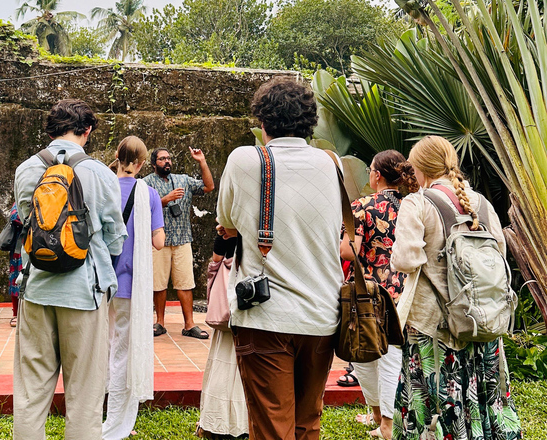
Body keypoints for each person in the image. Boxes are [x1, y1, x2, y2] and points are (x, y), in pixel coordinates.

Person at [216, 76, 343, 440]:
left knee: (272, 429)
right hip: (322, 316)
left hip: (265, 316)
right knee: (307, 424)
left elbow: (227, 222)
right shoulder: (330, 163)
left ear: (262, 120)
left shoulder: (245, 160)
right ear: (309, 121)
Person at [391, 136, 521, 440]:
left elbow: (406, 260)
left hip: (434, 325)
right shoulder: (482, 204)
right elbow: (499, 254)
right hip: (482, 319)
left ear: (420, 168)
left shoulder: (418, 203)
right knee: (487, 394)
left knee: (433, 399)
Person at [12, 99, 127, 440]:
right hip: (85, 292)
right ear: (87, 130)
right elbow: (115, 238)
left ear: (50, 129)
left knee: (32, 391)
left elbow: (26, 221)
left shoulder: (26, 169)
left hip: (36, 290)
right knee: (85, 393)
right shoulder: (99, 173)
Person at [339, 150, 419, 440]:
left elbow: (348, 251)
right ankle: (380, 418)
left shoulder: (363, 206)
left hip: (369, 292)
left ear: (376, 175)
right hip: (407, 289)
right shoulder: (414, 204)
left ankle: (385, 424)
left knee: (363, 352)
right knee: (392, 356)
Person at [103, 136, 164, 440]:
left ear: (117, 156)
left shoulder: (102, 188)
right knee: (122, 352)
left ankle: (94, 414)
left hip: (100, 284)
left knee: (102, 347)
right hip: (129, 284)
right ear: (142, 163)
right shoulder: (149, 194)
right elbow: (159, 241)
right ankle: (116, 422)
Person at [143, 146, 214, 339]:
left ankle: (189, 325)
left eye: (169, 158)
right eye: (162, 159)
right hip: (158, 242)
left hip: (182, 240)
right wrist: (164, 200)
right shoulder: (145, 184)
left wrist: (202, 162)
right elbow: (141, 210)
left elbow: (208, 187)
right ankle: (159, 322)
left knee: (185, 284)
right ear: (153, 163)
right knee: (158, 284)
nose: (167, 161)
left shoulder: (183, 180)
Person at [196, 236, 249, 440]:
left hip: (228, 310)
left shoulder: (227, 227)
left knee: (223, 366)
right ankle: (243, 424)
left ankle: (216, 423)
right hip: (256, 309)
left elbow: (216, 257)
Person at [7, 204, 23, 328]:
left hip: (41, 242)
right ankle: (16, 314)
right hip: (20, 244)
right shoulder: (23, 194)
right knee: (16, 277)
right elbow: (15, 216)